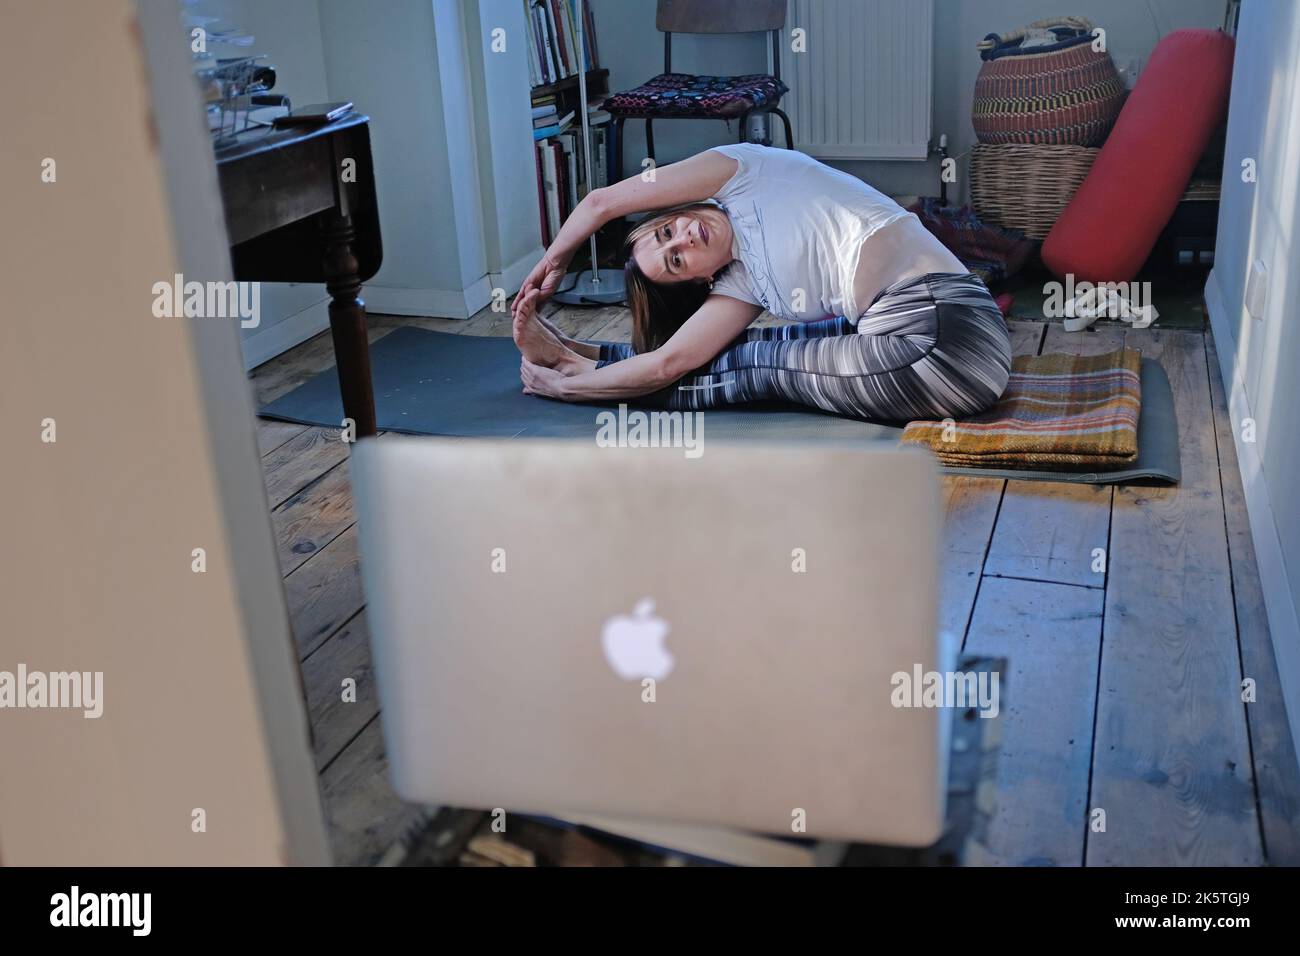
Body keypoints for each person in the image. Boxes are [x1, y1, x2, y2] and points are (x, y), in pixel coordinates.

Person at [512, 143, 1011, 423]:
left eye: (668, 231)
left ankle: (570, 377)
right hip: (916, 342)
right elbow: (669, 361)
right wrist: (575, 362)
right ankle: (580, 356)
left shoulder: (744, 172)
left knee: (761, 367)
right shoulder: (745, 281)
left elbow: (602, 202)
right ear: (700, 278)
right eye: (677, 261)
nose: (683, 240)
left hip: (947, 342)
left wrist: (554, 261)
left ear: (677, 209)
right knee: (744, 349)